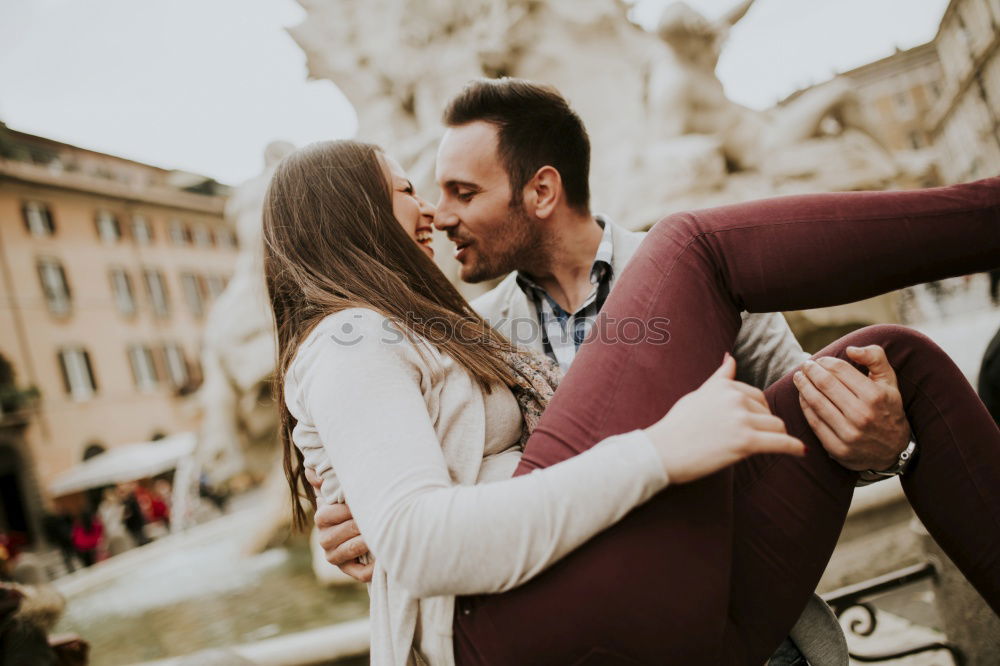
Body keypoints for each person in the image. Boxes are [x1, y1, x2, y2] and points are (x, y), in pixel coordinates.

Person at [265, 136, 1000, 664]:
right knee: (692, 245)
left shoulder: (446, 334)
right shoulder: (356, 338)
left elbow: (797, 396)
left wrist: (891, 447)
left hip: (672, 603)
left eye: (461, 193)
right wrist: (659, 451)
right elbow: (416, 537)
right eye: (406, 190)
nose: (432, 211)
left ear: (542, 190)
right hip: (514, 624)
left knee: (896, 361)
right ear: (352, 214)